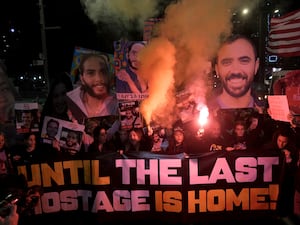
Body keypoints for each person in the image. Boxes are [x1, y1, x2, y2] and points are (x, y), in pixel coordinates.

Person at [66, 53, 119, 140]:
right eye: (91, 73)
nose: (98, 78)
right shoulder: (71, 102)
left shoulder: (115, 101)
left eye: (103, 72)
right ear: (82, 78)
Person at [209, 34, 260, 110]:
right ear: (217, 69)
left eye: (244, 61)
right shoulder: (196, 114)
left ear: (256, 66)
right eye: (226, 62)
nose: (235, 70)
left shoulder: (269, 114)